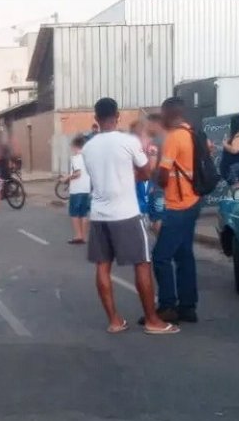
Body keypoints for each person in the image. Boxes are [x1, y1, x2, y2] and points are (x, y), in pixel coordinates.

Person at [82, 97, 179, 335]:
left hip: (99, 214)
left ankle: (114, 320)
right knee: (142, 264)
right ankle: (152, 321)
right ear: (117, 116)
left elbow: (95, 177)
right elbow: (146, 173)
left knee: (102, 267)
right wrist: (129, 175)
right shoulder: (128, 141)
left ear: (96, 118)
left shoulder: (88, 147)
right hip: (126, 214)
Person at [151, 97, 202, 324]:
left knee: (161, 257)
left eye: (162, 113)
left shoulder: (173, 138)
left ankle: (167, 306)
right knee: (184, 256)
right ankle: (188, 307)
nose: (160, 117)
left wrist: (157, 179)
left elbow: (163, 175)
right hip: (193, 202)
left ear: (170, 114)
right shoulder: (192, 133)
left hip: (178, 204)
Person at [60, 135, 90, 244]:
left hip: (77, 190)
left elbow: (78, 173)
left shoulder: (76, 158)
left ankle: (78, 236)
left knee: (74, 213)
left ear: (75, 146)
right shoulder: (87, 157)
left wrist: (67, 178)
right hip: (86, 188)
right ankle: (84, 237)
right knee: (84, 213)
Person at [145, 114, 166, 234]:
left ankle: (161, 248)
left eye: (149, 125)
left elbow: (152, 166)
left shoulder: (154, 144)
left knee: (158, 217)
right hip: (169, 182)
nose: (147, 128)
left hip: (158, 183)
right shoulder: (169, 138)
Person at [130, 121, 150, 215]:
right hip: (136, 177)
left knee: (142, 200)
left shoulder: (145, 144)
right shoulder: (133, 143)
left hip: (142, 177)